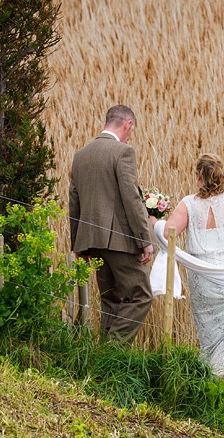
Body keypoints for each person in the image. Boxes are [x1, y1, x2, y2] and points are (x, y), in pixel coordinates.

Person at [162, 153, 224, 376]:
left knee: (210, 338)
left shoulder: (187, 204)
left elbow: (168, 234)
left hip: (203, 282)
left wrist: (153, 221)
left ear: (198, 177)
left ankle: (210, 381)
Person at [69, 104, 154, 342]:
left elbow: (73, 200)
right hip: (119, 242)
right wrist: (144, 239)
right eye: (131, 130)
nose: (130, 136)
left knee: (111, 299)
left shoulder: (81, 155)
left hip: (92, 242)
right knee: (141, 296)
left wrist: (78, 244)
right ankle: (115, 350)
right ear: (127, 124)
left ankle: (103, 359)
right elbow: (131, 198)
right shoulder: (123, 152)